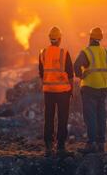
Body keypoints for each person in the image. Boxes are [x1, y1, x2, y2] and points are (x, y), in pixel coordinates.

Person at [74, 27, 107, 153]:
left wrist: (81, 76)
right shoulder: (106, 52)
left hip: (89, 88)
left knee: (90, 116)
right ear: (100, 38)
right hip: (102, 88)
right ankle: (101, 144)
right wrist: (104, 78)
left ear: (90, 37)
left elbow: (76, 65)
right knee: (101, 116)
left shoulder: (86, 52)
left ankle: (91, 144)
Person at [39, 26, 74, 156]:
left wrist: (47, 83)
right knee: (62, 118)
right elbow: (70, 74)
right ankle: (60, 146)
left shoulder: (43, 53)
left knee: (49, 117)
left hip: (48, 91)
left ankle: (48, 146)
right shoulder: (64, 53)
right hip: (63, 92)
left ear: (50, 38)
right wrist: (71, 90)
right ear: (59, 39)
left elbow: (41, 72)